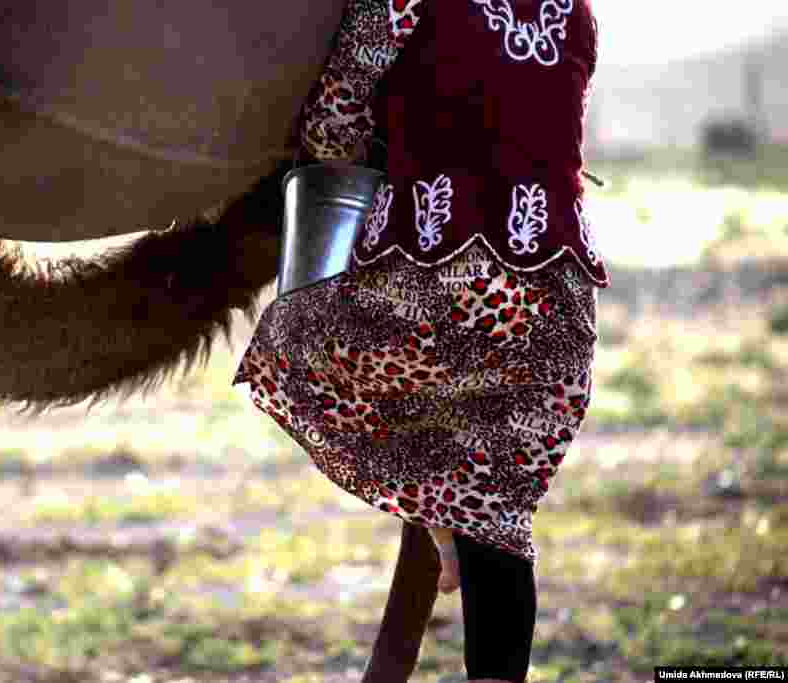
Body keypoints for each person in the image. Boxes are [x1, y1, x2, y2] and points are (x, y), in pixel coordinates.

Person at [233, 1, 609, 681]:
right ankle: (451, 506)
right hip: (557, 305)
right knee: (499, 518)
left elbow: (334, 122)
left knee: (293, 351)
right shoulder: (575, 8)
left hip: (435, 284)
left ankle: (434, 496)